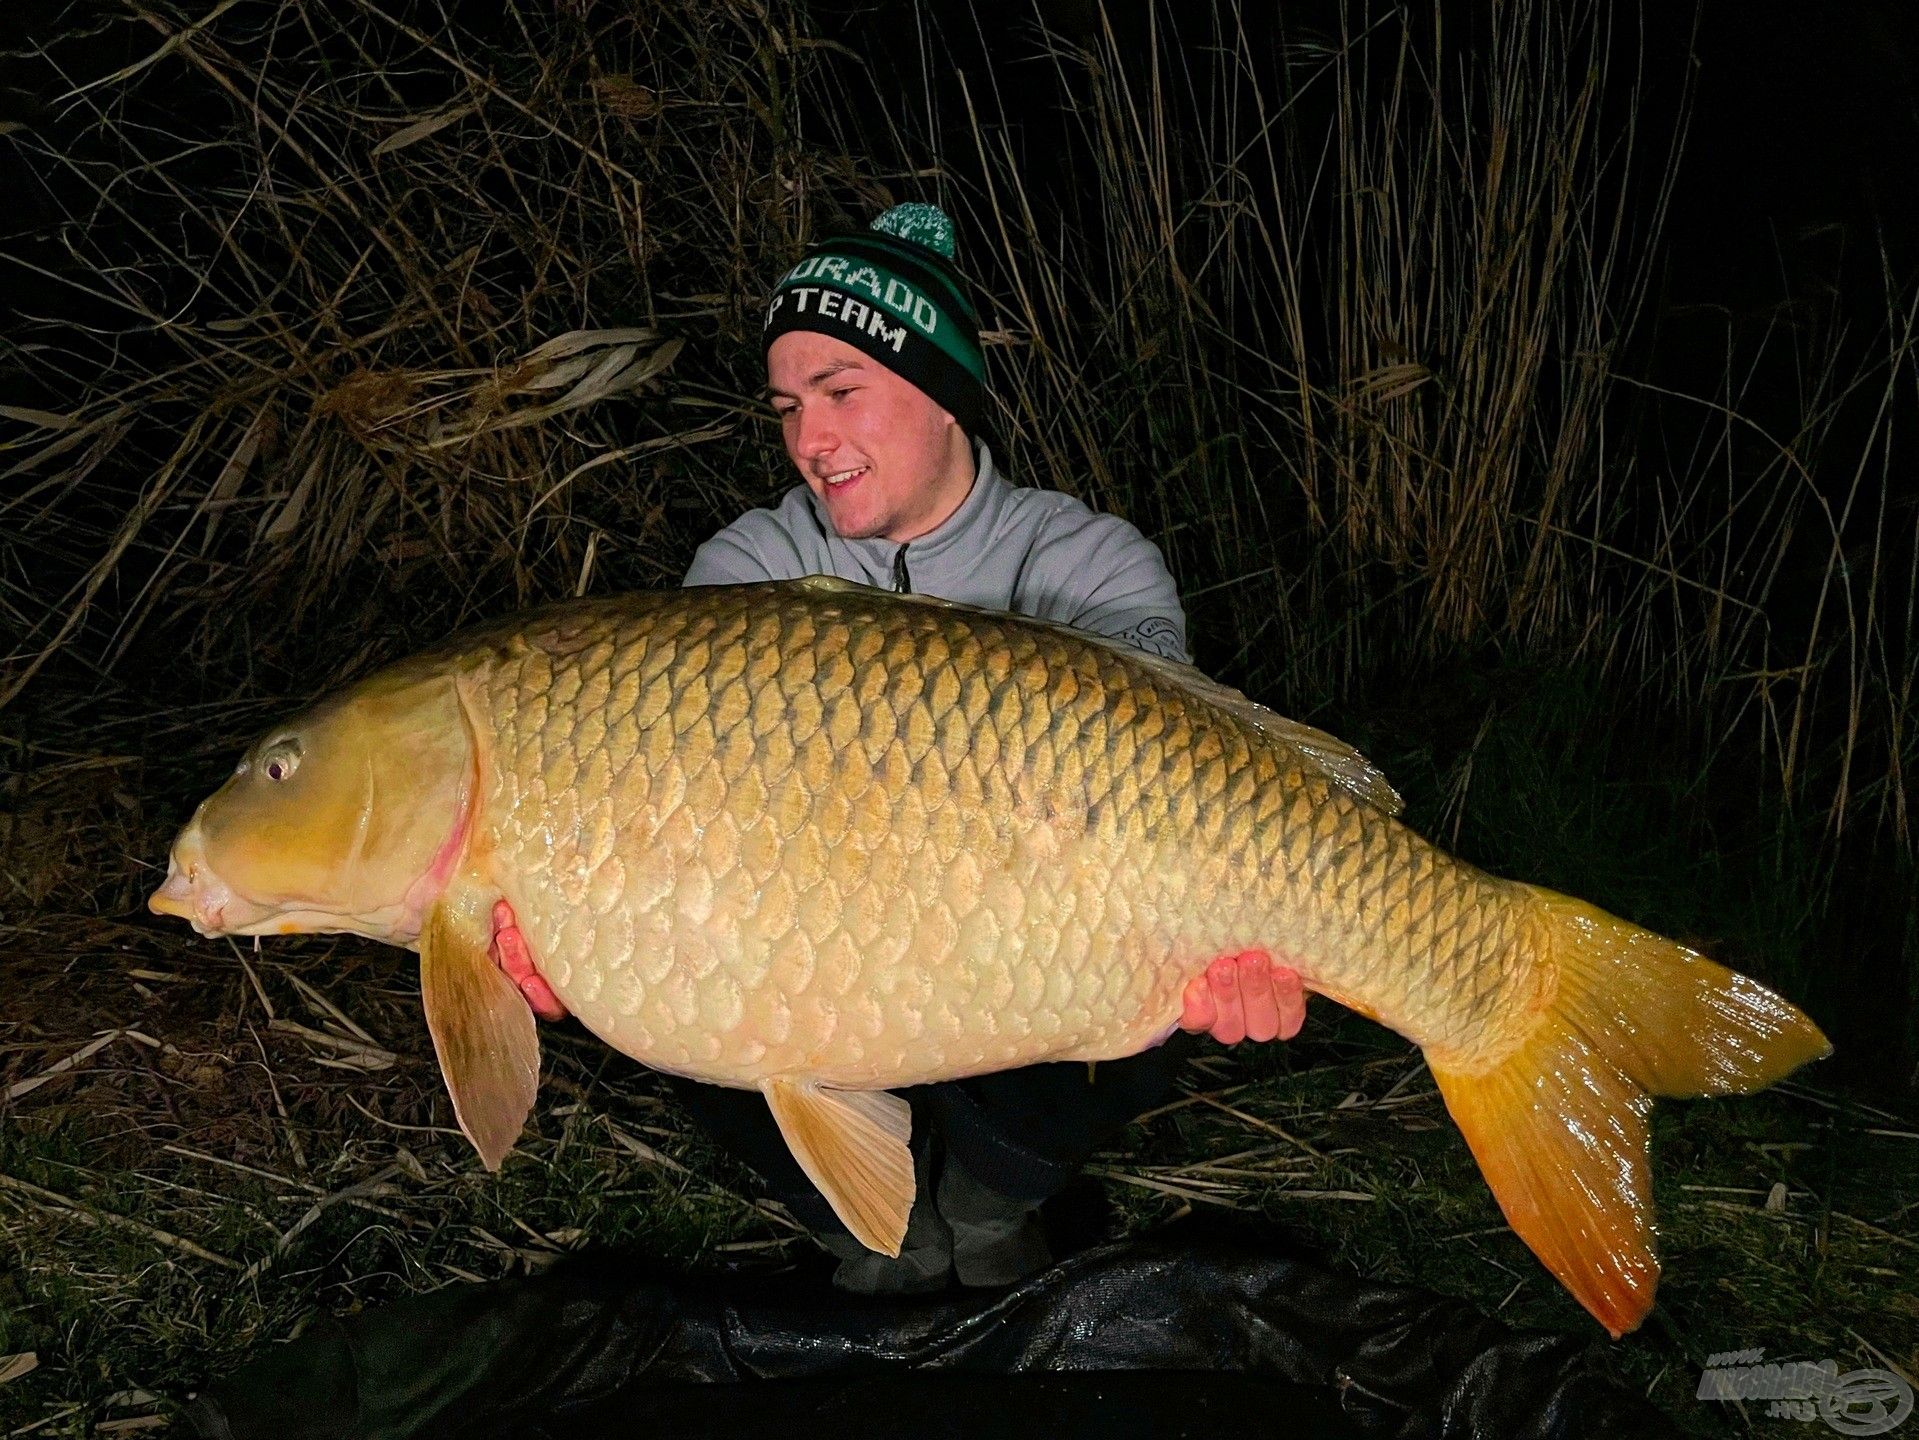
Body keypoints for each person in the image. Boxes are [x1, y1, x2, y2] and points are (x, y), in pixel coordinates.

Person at [491, 202, 1305, 1293]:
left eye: (841, 392)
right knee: (657, 955)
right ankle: (863, 1227)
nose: (808, 440)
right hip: (812, 940)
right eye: (787, 406)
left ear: (944, 391)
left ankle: (990, 1204)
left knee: (1144, 915)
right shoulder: (749, 566)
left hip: (1020, 945)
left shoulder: (1090, 563)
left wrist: (1247, 950)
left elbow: (1158, 789)